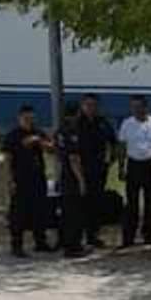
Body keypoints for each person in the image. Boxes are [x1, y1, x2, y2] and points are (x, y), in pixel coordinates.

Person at [2, 105, 56, 257]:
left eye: (32, 119)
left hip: (38, 177)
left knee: (40, 210)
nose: (29, 122)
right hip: (20, 179)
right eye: (26, 119)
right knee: (18, 212)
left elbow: (52, 149)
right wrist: (10, 180)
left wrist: (40, 142)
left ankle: (40, 241)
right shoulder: (13, 135)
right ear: (20, 118)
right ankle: (16, 244)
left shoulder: (38, 133)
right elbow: (7, 159)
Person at [117, 95, 151, 248]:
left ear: (146, 107)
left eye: (139, 106)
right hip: (133, 165)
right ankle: (128, 237)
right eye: (134, 106)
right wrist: (121, 167)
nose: (137, 109)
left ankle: (148, 234)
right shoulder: (126, 123)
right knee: (131, 204)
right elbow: (122, 147)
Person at [71, 94, 116, 249]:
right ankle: (76, 238)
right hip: (80, 171)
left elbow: (113, 142)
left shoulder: (103, 123)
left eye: (94, 105)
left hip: (99, 170)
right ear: (82, 106)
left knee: (96, 204)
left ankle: (93, 236)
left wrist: (110, 160)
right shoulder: (76, 124)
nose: (91, 108)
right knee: (80, 205)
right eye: (88, 105)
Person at [56, 106, 95, 258]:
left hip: (64, 175)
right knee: (75, 213)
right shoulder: (71, 132)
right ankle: (74, 247)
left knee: (67, 213)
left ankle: (66, 243)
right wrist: (81, 181)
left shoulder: (59, 131)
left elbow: (59, 156)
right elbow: (74, 159)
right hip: (72, 178)